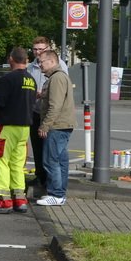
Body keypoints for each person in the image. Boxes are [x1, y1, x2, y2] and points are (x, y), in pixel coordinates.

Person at [0, 47, 37, 214]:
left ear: (11, 59)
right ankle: (19, 199)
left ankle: (3, 201)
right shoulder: (31, 80)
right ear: (26, 61)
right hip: (24, 129)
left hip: (7, 127)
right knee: (16, 164)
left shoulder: (8, 79)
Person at [27, 36, 67, 197]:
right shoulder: (31, 67)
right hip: (36, 111)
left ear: (48, 49)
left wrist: (42, 95)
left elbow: (58, 93)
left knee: (52, 153)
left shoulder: (59, 67)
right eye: (35, 49)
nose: (38, 53)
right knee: (37, 148)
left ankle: (55, 188)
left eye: (41, 49)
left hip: (50, 115)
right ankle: (40, 178)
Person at [36, 49, 75, 206]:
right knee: (60, 160)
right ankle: (60, 194)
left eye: (42, 62)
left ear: (52, 61)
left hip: (57, 126)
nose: (39, 65)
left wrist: (44, 125)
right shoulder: (56, 77)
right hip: (62, 125)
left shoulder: (57, 78)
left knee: (51, 161)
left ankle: (56, 194)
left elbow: (55, 105)